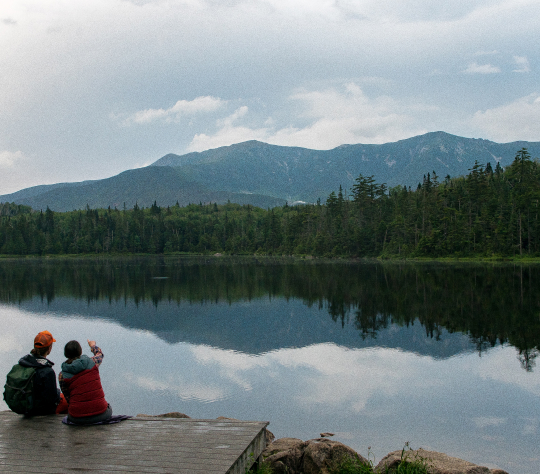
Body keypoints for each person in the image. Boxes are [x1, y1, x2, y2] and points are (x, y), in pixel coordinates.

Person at [59, 339, 112, 424]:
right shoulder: (92, 362)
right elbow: (100, 355)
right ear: (80, 351)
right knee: (108, 407)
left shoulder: (62, 375)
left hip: (76, 418)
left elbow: (68, 397)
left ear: (66, 354)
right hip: (101, 415)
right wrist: (93, 346)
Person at [16, 330, 67, 415]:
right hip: (41, 410)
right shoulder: (48, 371)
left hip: (27, 405)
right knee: (68, 401)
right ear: (49, 349)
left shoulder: (25, 362)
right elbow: (51, 399)